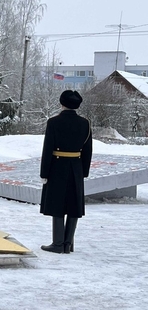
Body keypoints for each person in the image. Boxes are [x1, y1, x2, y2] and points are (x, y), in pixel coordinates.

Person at [40, 90, 92, 254]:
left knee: (57, 204)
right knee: (73, 204)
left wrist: (44, 172)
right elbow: (88, 150)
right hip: (76, 166)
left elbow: (48, 148)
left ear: (61, 103)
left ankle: (58, 243)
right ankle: (68, 243)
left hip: (57, 165)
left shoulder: (53, 122)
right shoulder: (85, 123)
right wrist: (84, 171)